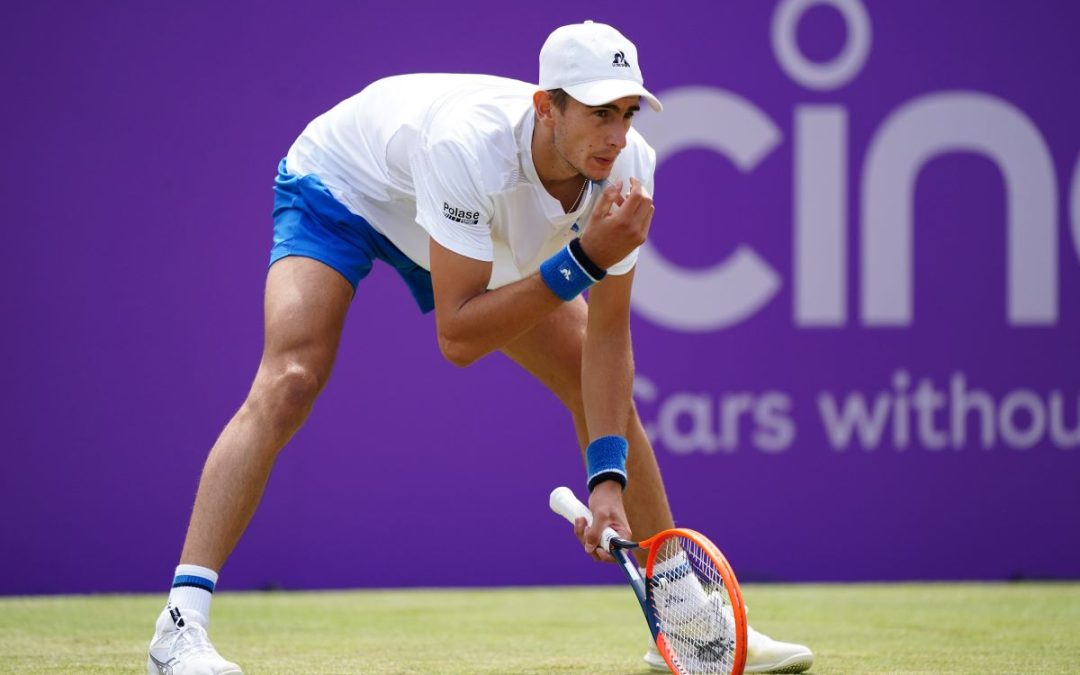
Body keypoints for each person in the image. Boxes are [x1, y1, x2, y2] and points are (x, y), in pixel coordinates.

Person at [147, 21, 814, 675]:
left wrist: (605, 480)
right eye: (599, 112)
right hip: (348, 186)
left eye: (628, 113)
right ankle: (179, 628)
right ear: (546, 107)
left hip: (472, 225)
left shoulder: (630, 169)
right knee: (291, 378)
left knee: (592, 377)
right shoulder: (468, 146)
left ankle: (686, 622)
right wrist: (582, 258)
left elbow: (608, 338)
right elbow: (459, 337)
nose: (617, 135)